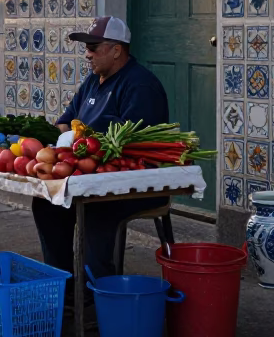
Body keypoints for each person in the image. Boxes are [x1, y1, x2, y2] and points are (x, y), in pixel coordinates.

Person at [31, 15, 170, 280]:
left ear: (117, 50)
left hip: (132, 183)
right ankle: (64, 283)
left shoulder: (140, 86)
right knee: (47, 204)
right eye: (86, 48)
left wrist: (79, 148)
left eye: (93, 48)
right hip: (88, 174)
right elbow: (64, 123)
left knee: (95, 210)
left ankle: (98, 290)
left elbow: (131, 147)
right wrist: (54, 146)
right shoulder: (94, 80)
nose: (87, 54)